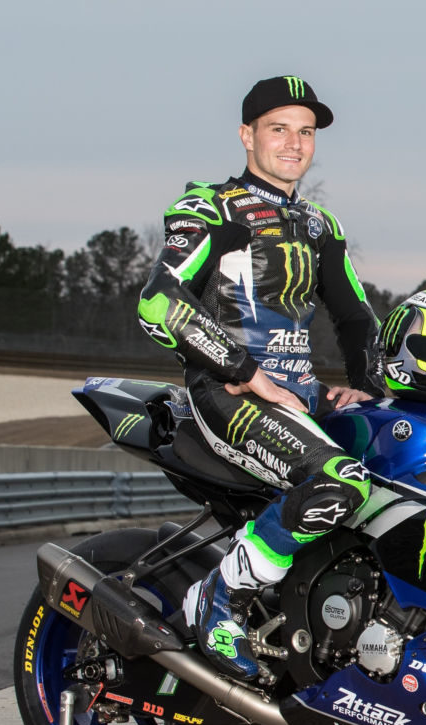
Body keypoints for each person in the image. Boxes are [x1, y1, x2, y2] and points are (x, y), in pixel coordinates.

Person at [136, 76, 384, 682]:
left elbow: (355, 316)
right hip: (226, 393)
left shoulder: (320, 224)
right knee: (337, 482)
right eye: (279, 129)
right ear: (247, 135)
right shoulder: (210, 208)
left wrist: (370, 386)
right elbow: (157, 304)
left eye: (306, 132)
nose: (294, 143)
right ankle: (217, 597)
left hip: (297, 396)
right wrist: (246, 372)